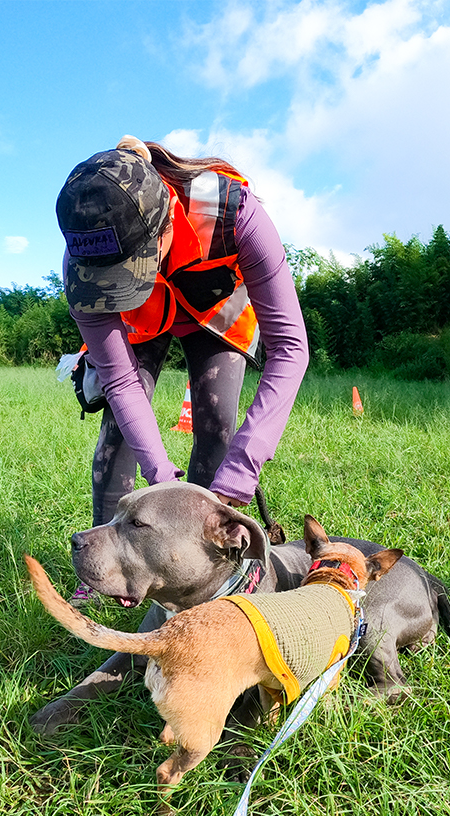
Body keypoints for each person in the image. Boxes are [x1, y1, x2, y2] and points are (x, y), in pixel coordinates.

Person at [56, 135, 309, 527]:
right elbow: (121, 381)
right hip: (142, 319)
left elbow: (290, 347)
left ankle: (203, 576)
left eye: (131, 269)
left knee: (216, 428)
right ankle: (104, 568)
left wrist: (243, 464)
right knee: (117, 433)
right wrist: (159, 475)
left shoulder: (234, 213)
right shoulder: (84, 263)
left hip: (215, 308)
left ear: (166, 222)